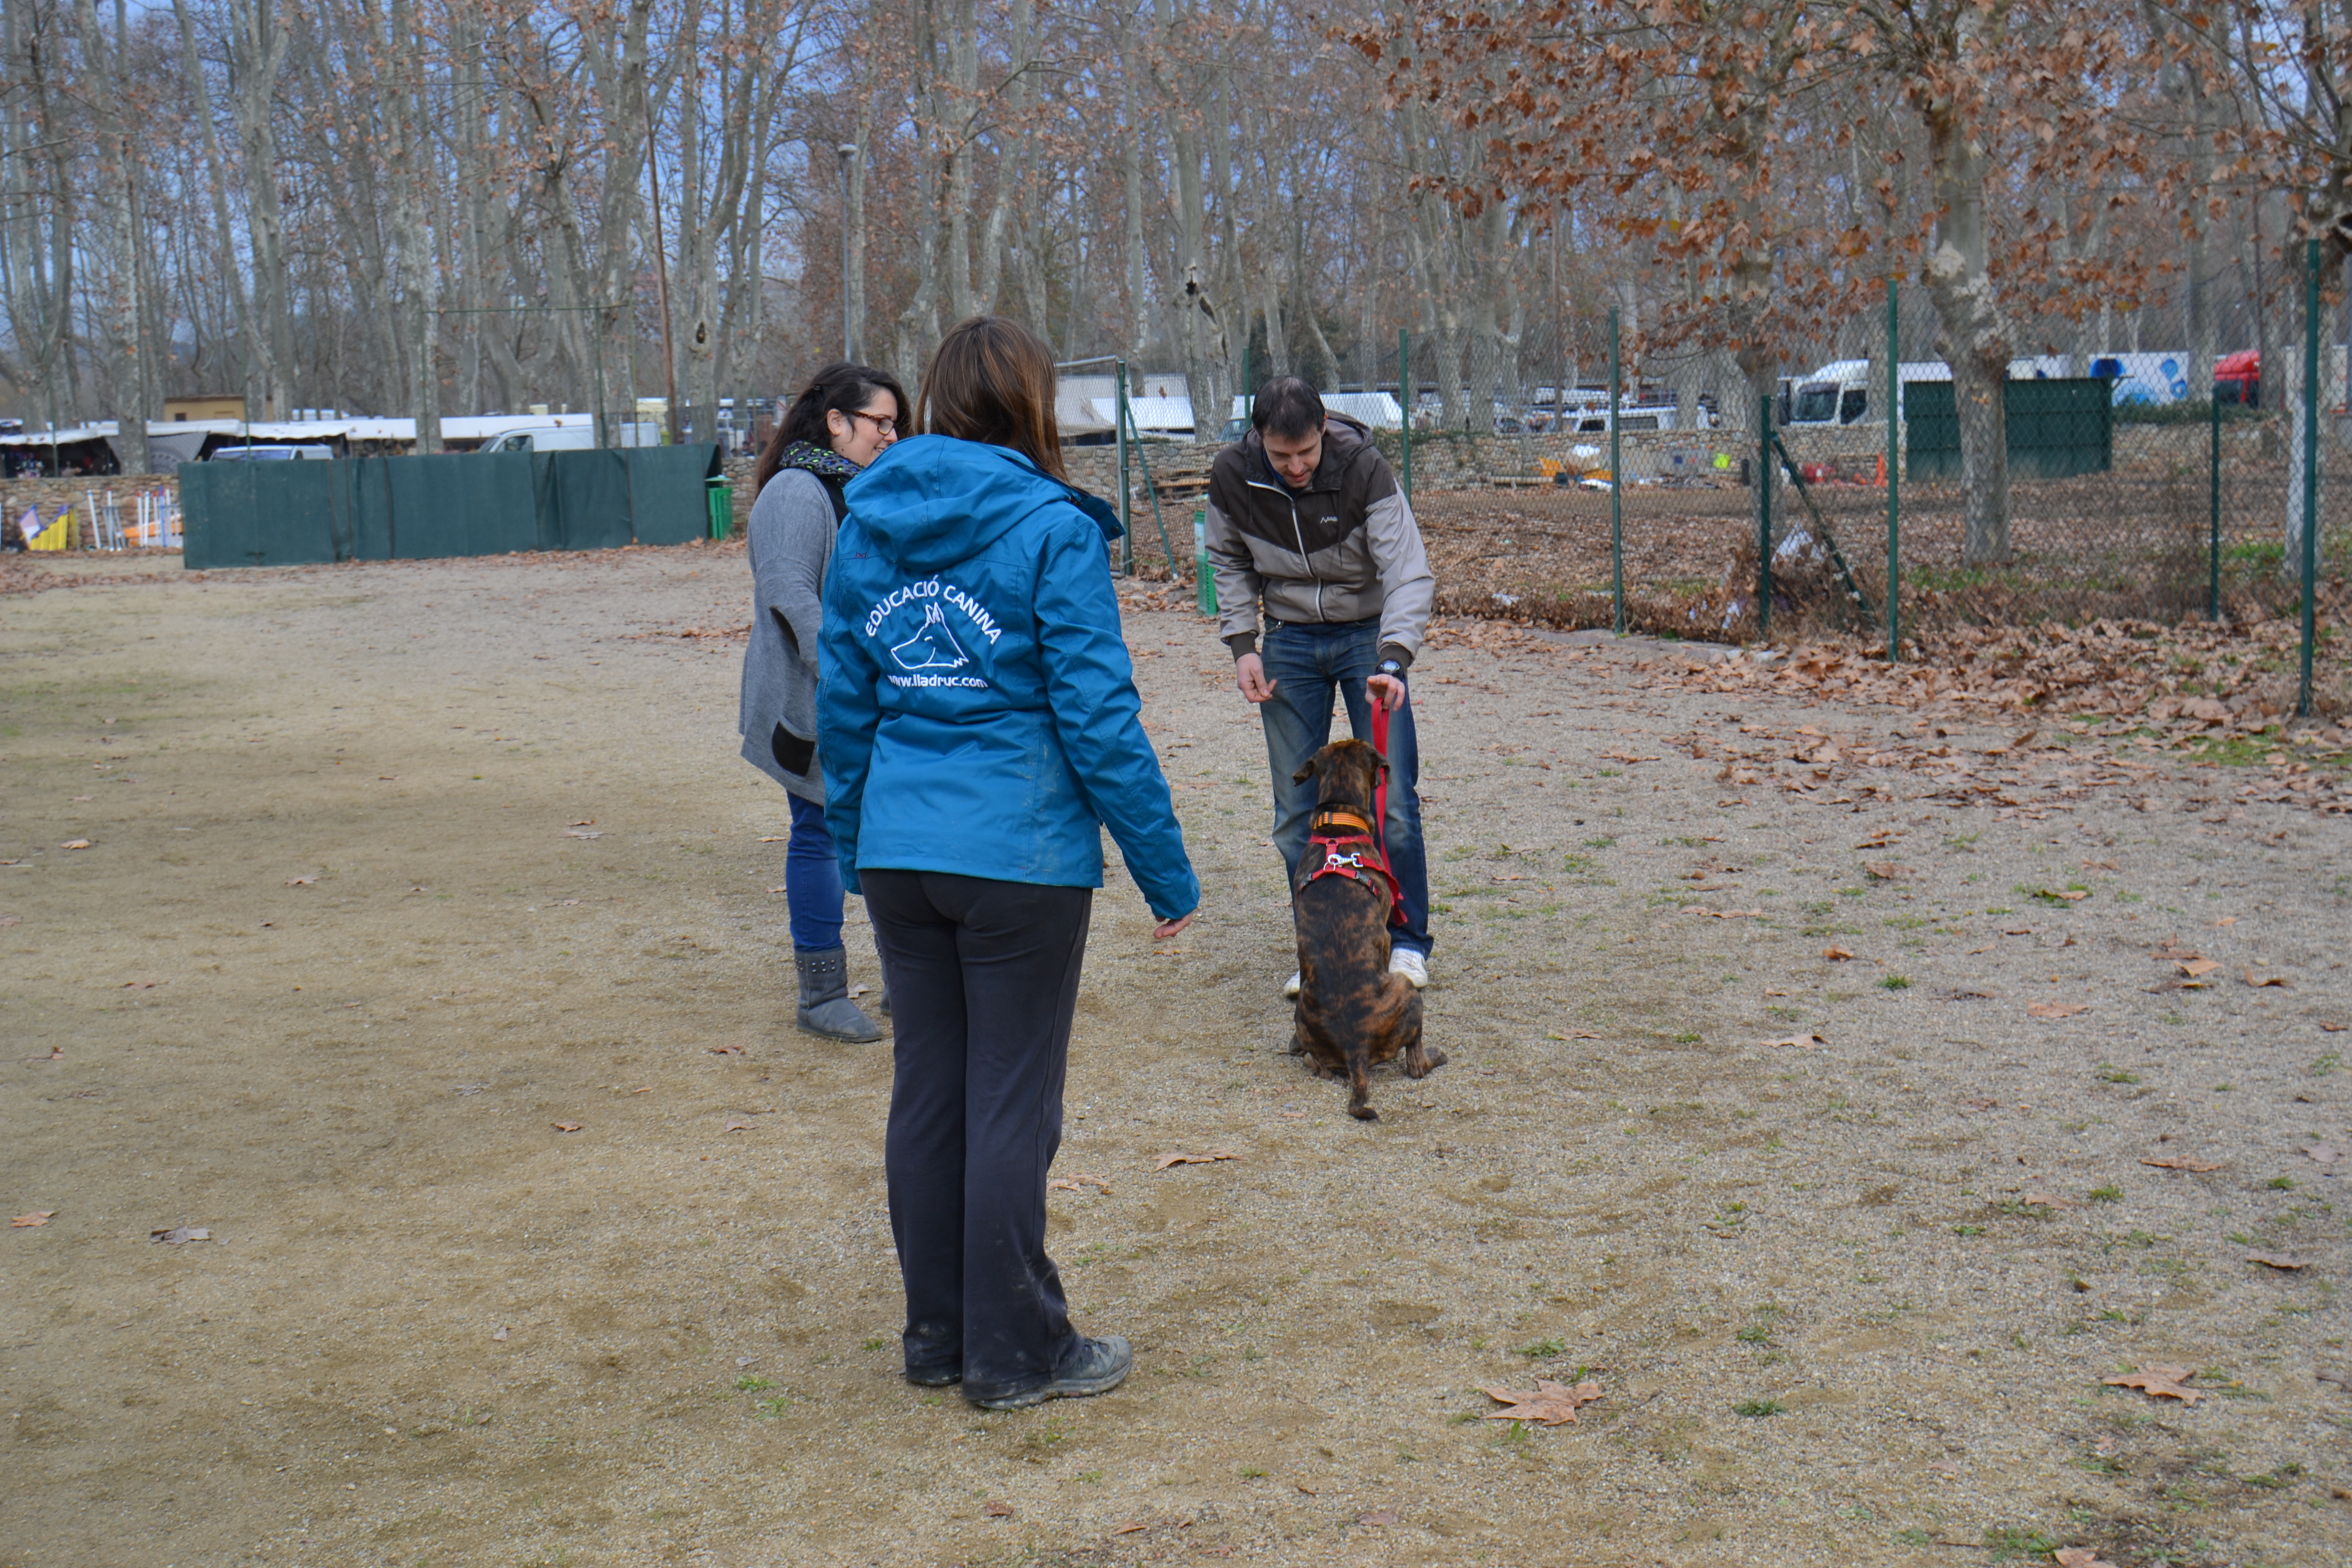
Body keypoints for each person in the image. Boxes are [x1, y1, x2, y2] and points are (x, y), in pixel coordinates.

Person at [819, 315, 1199, 1410]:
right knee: (1006, 1103)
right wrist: (1166, 871)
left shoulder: (867, 519)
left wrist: (858, 845)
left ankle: (939, 1334)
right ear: (1032, 403)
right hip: (1015, 858)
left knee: (931, 1093)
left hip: (905, 849)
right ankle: (1013, 1349)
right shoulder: (1051, 527)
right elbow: (1098, 714)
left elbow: (844, 703)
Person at [1204, 375, 1436, 994]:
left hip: (1367, 637)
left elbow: (1407, 572)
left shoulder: (1363, 468)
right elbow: (1227, 561)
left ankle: (1406, 943)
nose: (1297, 466)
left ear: (1323, 430)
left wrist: (1394, 659)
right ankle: (1321, 950)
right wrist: (1243, 645)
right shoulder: (1232, 475)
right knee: (1295, 812)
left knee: (1392, 801)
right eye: (1282, 456)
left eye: (1306, 451)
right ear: (1258, 438)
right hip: (1289, 638)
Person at [739, 361, 911, 1042]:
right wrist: (844, 676)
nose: (891, 436)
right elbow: (788, 595)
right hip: (816, 702)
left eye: (897, 425)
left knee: (889, 835)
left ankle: (907, 979)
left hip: (869, 699)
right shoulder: (797, 491)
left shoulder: (862, 490)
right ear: (837, 421)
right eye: (881, 423)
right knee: (820, 835)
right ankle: (822, 995)